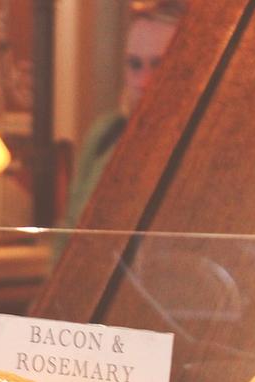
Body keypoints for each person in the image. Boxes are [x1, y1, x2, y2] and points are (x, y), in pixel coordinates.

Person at [62, 0, 187, 232]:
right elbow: (70, 230)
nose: (143, 81)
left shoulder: (202, 142)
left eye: (159, 65)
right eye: (134, 64)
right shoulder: (105, 134)